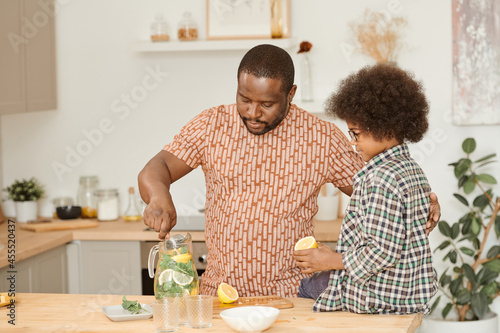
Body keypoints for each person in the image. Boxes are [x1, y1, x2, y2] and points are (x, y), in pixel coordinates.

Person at [138, 44, 441, 297]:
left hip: (293, 296)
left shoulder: (321, 138)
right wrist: (158, 196)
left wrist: (419, 199)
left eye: (266, 104)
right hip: (219, 294)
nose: (253, 113)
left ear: (291, 94)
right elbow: (158, 167)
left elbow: (379, 183)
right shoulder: (211, 125)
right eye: (244, 99)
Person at [294, 64, 438, 314]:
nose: (352, 142)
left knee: (305, 289)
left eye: (356, 133)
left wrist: (331, 260)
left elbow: (381, 252)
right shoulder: (411, 168)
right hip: (407, 290)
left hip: (378, 295)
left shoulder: (380, 177)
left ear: (385, 128)